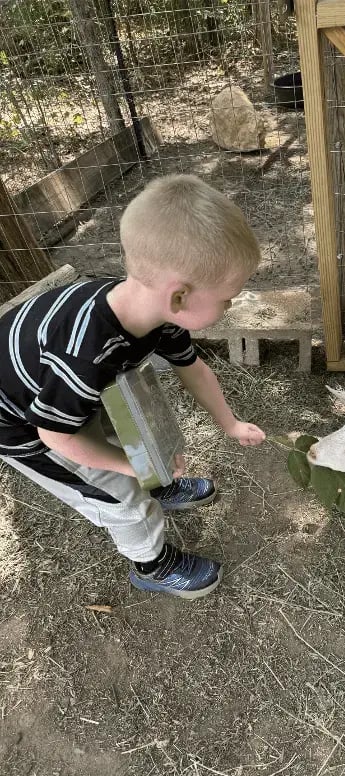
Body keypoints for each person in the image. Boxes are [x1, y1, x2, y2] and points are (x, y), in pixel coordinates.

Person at [0, 173, 265, 600]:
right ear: (178, 296)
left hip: (62, 399)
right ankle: (153, 565)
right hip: (23, 425)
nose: (230, 305)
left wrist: (230, 424)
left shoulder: (154, 314)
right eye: (227, 297)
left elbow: (192, 368)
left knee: (126, 433)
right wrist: (127, 466)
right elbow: (55, 435)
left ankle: (155, 480)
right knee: (118, 496)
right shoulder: (85, 355)